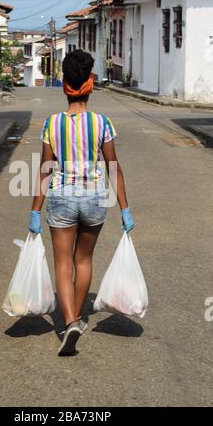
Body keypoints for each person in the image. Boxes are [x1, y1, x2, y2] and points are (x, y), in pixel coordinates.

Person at [29, 50, 134, 356]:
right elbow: (114, 166)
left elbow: (46, 169)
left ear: (64, 84)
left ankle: (70, 321)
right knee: (83, 260)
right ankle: (77, 317)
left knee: (63, 262)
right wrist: (125, 209)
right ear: (90, 83)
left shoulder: (52, 124)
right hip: (94, 198)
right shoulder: (102, 123)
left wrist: (35, 209)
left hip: (62, 196)